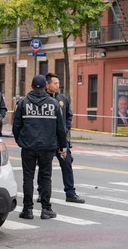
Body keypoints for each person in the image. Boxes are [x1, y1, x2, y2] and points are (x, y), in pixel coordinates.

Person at [13, 75, 67, 220]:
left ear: (31, 86)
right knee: (45, 177)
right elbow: (60, 128)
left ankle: (27, 210)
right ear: (45, 86)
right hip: (47, 146)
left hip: (28, 146)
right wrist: (63, 146)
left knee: (28, 177)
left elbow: (16, 125)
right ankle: (46, 209)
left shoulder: (23, 103)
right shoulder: (54, 103)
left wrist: (20, 141)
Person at [37, 73, 85, 204]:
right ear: (47, 85)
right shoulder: (42, 99)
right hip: (47, 140)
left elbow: (69, 115)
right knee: (44, 167)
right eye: (55, 83)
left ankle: (70, 193)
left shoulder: (63, 99)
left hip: (62, 140)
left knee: (67, 164)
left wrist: (66, 127)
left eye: (58, 83)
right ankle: (42, 192)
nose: (58, 86)